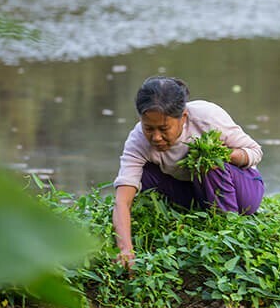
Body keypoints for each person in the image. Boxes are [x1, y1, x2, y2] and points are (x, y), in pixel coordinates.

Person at [112, 76, 264, 268]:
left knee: (206, 161)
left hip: (243, 193)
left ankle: (228, 232)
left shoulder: (206, 117)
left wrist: (222, 154)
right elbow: (122, 200)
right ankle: (197, 215)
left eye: (164, 128)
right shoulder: (138, 140)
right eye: (149, 128)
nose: (156, 137)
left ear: (183, 117)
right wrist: (125, 249)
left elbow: (255, 152)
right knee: (141, 175)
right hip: (195, 195)